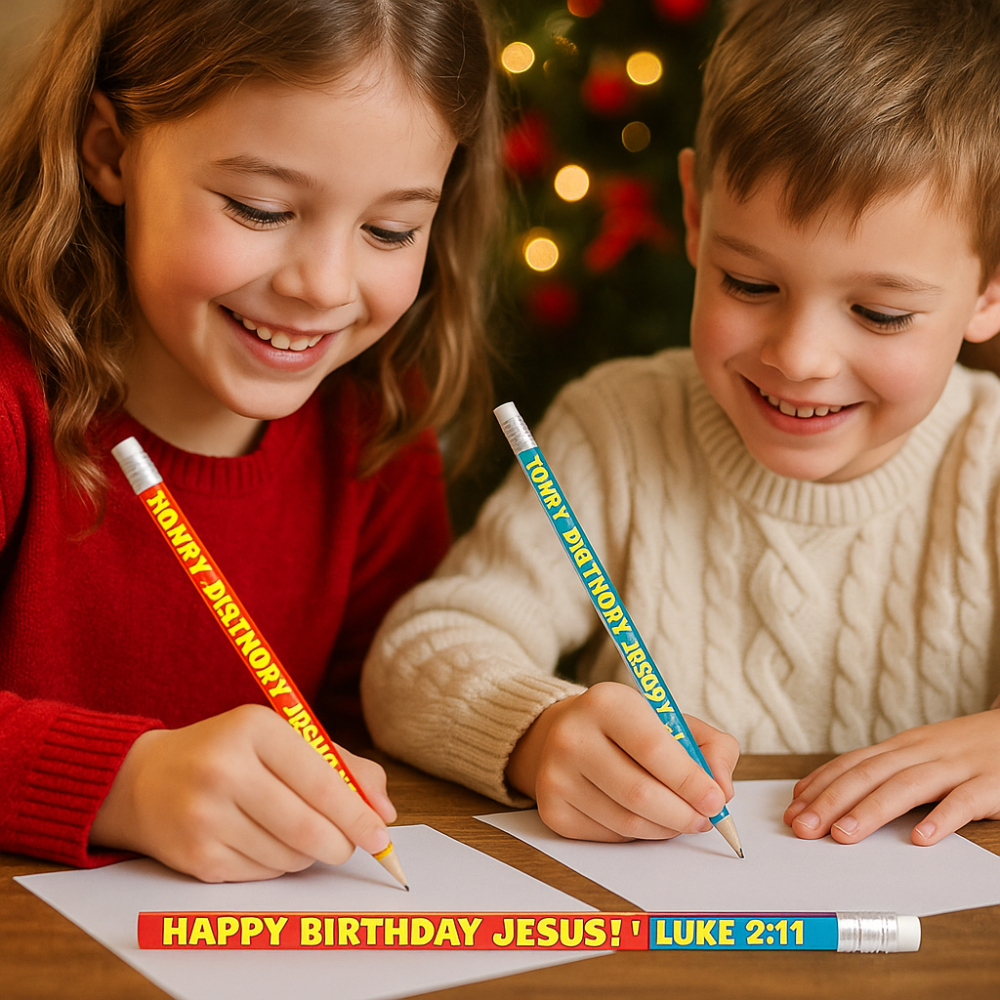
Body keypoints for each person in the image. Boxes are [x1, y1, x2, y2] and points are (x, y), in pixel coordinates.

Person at [362, 0, 1000, 852]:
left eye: (880, 314)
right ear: (697, 213)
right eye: (750, 283)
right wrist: (537, 732)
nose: (801, 356)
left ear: (991, 286)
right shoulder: (615, 430)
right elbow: (421, 653)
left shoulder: (989, 457)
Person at [0, 0, 503, 882]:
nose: (323, 286)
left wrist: (527, 725)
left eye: (390, 230)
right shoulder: (12, 402)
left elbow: (393, 710)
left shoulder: (373, 425)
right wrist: (124, 781)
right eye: (260, 208)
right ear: (111, 150)